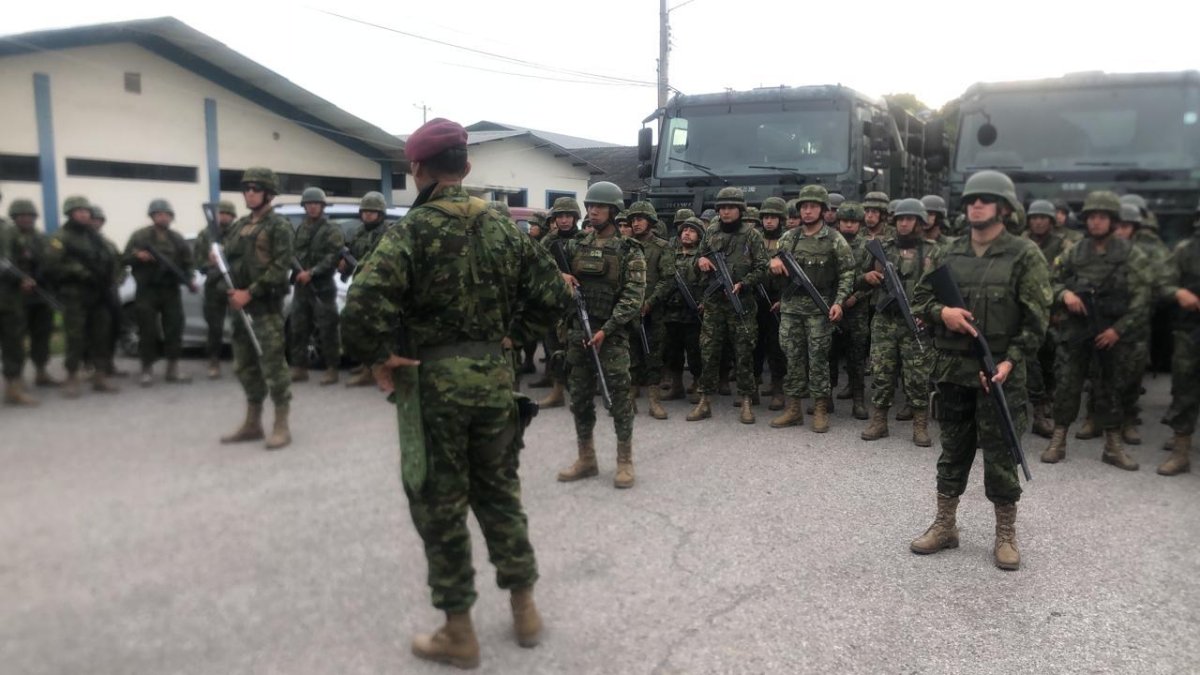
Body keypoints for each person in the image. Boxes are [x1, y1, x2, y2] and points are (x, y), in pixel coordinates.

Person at [341, 118, 571, 667]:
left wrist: (381, 357)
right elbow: (553, 296)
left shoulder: (411, 231)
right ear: (466, 168)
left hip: (435, 386)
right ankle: (524, 611)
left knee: (440, 504)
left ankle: (459, 632)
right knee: (499, 493)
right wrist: (512, 338)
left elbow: (360, 310)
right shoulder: (502, 228)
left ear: (416, 169)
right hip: (494, 380)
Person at [910, 170, 1050, 571]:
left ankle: (1005, 533)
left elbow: (1036, 320)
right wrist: (944, 312)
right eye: (971, 199)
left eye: (985, 199)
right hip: (954, 372)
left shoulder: (1024, 255)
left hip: (1000, 374)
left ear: (1004, 207)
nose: (976, 204)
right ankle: (946, 525)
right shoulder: (947, 252)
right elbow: (919, 298)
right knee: (953, 452)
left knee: (1002, 455)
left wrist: (1009, 361)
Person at [1041, 191, 1150, 470]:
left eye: (1102, 217)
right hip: (1077, 330)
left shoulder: (1130, 254)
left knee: (1111, 387)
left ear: (1113, 221)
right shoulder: (1075, 251)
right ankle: (1058, 439)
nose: (1096, 223)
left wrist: (1118, 330)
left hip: (1111, 332)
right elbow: (1050, 281)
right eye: (1091, 217)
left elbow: (1142, 297)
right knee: (1067, 384)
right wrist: (1064, 294)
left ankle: (1113, 446)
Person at [555, 181, 645, 487]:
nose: (592, 211)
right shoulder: (575, 244)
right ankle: (586, 458)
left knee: (619, 399)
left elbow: (633, 297)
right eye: (590, 206)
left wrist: (607, 330)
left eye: (599, 207)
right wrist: (560, 276)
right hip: (580, 332)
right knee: (579, 398)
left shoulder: (630, 250)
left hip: (611, 336)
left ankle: (624, 461)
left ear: (613, 210)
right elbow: (542, 267)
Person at [766, 184, 854, 432]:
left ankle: (820, 409)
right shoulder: (789, 238)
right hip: (792, 308)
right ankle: (793, 409)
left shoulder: (834, 239)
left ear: (823, 210)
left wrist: (838, 302)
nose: (807, 211)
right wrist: (771, 262)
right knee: (792, 358)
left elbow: (847, 272)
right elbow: (768, 264)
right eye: (804, 206)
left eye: (813, 206)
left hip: (819, 308)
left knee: (818, 360)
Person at [218, 167, 295, 450]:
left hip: (264, 308)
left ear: (269, 193)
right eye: (246, 189)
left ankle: (281, 424)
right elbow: (230, 259)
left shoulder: (279, 226)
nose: (249, 193)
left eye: (256, 189)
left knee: (273, 365)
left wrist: (250, 293)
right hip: (239, 308)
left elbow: (280, 267)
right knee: (244, 366)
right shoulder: (239, 226)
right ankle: (253, 422)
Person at [686, 187, 768, 424]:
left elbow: (762, 268)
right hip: (714, 304)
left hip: (741, 304)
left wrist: (744, 283)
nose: (725, 211)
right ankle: (705, 401)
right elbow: (697, 256)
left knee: (743, 353)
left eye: (730, 207)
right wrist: (700, 260)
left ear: (740, 210)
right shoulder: (710, 231)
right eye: (721, 207)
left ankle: (745, 400)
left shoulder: (752, 235)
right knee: (709, 353)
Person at [860, 198, 936, 446]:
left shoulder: (933, 251)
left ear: (919, 222)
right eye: (901, 219)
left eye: (910, 219)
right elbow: (854, 275)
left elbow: (942, 286)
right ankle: (879, 421)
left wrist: (928, 313)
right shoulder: (881, 246)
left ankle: (920, 425)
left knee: (917, 376)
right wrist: (867, 276)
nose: (904, 223)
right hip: (885, 320)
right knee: (882, 372)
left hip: (915, 320)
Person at [44, 196, 121, 398]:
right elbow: (52, 264)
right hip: (75, 294)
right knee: (76, 337)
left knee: (101, 334)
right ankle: (72, 377)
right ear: (70, 213)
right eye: (79, 211)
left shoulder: (95, 237)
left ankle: (100, 375)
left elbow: (111, 258)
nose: (84, 214)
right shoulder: (61, 237)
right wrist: (81, 272)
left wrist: (111, 276)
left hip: (100, 293)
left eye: (86, 211)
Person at [124, 199, 198, 386]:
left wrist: (189, 279)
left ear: (171, 217)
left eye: (166, 214)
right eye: (159, 214)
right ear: (152, 216)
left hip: (170, 290)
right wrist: (137, 256)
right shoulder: (140, 236)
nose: (163, 217)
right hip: (147, 290)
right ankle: (146, 369)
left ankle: (172, 368)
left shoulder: (177, 239)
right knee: (147, 329)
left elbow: (188, 263)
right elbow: (124, 257)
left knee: (174, 327)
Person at [1022, 199, 1071, 438]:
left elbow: (1067, 277)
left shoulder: (1064, 245)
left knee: (1052, 359)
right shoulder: (1020, 243)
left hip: (1054, 312)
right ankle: (1039, 411)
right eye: (1035, 217)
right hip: (1025, 311)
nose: (1038, 221)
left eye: (1043, 218)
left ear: (1051, 221)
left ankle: (1050, 398)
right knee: (1030, 361)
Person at [1158, 200, 1200, 476]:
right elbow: (1163, 282)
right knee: (1184, 390)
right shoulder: (1186, 251)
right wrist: (1177, 292)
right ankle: (1181, 451)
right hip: (1191, 331)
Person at [288, 186, 345, 385]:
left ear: (322, 206)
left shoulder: (332, 230)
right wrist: (298, 273)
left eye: (316, 204)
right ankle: (300, 367)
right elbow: (292, 253)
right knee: (298, 328)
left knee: (327, 328)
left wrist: (311, 273)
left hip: (322, 287)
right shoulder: (300, 229)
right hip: (301, 287)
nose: (312, 207)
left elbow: (333, 256)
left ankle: (332, 368)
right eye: (309, 204)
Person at [531, 196, 583, 406]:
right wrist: (558, 275)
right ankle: (558, 391)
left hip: (578, 302)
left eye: (568, 216)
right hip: (554, 302)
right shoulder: (548, 241)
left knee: (579, 348)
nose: (563, 220)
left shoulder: (584, 240)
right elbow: (535, 267)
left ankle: (581, 390)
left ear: (575, 217)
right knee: (554, 348)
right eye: (559, 216)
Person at [625, 200, 675, 420]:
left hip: (653, 311)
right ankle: (629, 399)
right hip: (627, 309)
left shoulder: (662, 247)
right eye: (633, 220)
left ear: (650, 222)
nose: (636, 224)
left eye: (640, 219)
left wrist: (650, 302)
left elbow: (668, 279)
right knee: (629, 355)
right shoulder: (623, 246)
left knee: (653, 355)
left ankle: (654, 400)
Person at [341, 191, 396, 387]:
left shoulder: (387, 233)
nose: (367, 216)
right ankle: (366, 364)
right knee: (360, 327)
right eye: (365, 212)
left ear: (380, 214)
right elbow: (351, 253)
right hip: (358, 286)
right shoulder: (358, 232)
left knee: (374, 329)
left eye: (372, 212)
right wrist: (345, 265)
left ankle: (371, 371)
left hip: (378, 288)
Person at [6, 199, 56, 395]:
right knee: (15, 339)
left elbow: (50, 261)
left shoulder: (41, 237)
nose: (26, 219)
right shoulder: (8, 236)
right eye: (22, 216)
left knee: (42, 335)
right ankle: (15, 381)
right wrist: (19, 280)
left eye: (30, 216)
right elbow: (5, 263)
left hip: (40, 294)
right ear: (15, 217)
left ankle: (41, 372)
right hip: (15, 297)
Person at [832, 202, 871, 420]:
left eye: (853, 222)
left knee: (856, 357)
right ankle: (826, 398)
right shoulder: (831, 243)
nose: (848, 225)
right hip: (832, 307)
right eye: (845, 221)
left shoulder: (867, 247)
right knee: (829, 354)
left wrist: (856, 297)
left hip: (857, 310)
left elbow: (874, 280)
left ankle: (858, 400)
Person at [662, 217, 707, 403]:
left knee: (695, 351)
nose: (687, 233)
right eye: (684, 230)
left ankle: (697, 384)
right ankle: (677, 385)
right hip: (671, 311)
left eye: (692, 230)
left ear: (699, 236)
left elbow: (709, 282)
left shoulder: (702, 258)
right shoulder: (671, 255)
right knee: (673, 351)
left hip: (692, 312)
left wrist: (704, 302)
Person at [195, 200, 237, 379]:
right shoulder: (206, 235)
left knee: (239, 325)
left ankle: (241, 361)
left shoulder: (239, 234)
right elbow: (197, 262)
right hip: (214, 286)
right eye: (222, 214)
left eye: (228, 214)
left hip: (235, 284)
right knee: (215, 327)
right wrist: (210, 262)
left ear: (233, 217)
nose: (224, 217)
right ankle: (214, 361)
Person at [755, 197, 788, 411]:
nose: (769, 221)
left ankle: (778, 389)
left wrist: (784, 299)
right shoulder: (754, 239)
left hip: (777, 300)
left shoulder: (788, 240)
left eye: (773, 217)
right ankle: (752, 388)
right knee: (754, 346)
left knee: (777, 348)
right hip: (755, 299)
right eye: (766, 217)